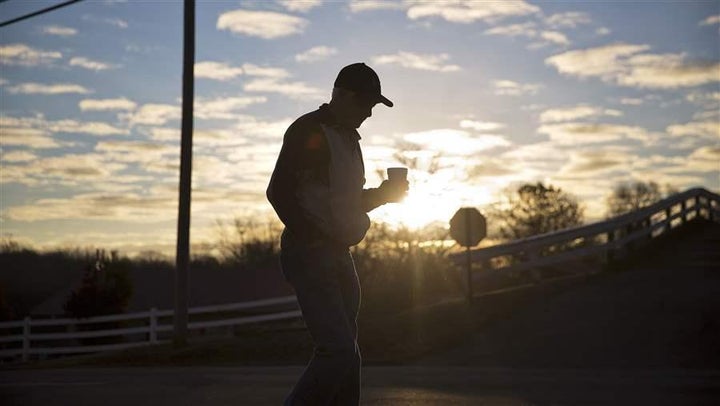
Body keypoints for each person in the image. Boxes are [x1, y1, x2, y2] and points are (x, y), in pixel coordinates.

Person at [266, 63, 408, 405]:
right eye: (365, 104)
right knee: (337, 351)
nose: (369, 114)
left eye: (373, 106)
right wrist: (311, 237)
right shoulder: (309, 131)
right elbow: (278, 191)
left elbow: (345, 204)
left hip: (338, 254)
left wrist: (382, 196)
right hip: (311, 252)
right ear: (341, 95)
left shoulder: (348, 139)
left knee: (349, 354)